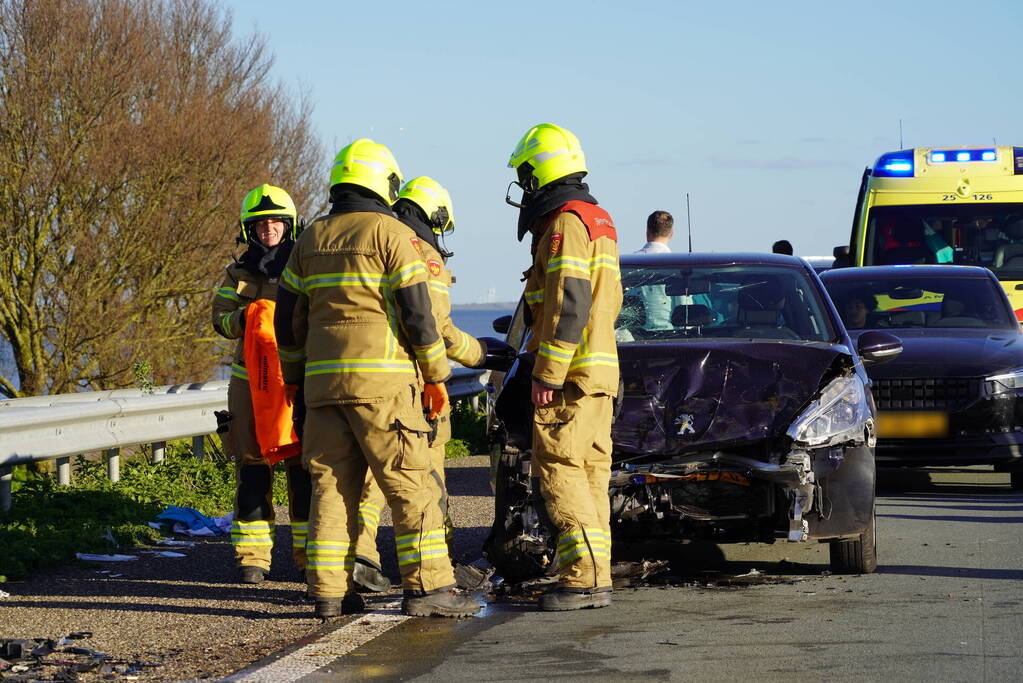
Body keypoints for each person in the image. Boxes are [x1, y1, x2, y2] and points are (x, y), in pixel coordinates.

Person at [274, 138, 479, 620]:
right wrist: (436, 373)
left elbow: (287, 320)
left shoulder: (310, 238)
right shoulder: (392, 234)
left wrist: (295, 377)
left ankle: (329, 592)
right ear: (384, 182)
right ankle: (429, 587)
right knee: (411, 486)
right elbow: (418, 315)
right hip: (384, 388)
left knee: (331, 490)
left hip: (323, 390)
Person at [506, 123, 623, 611]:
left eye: (525, 176)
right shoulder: (598, 220)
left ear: (539, 173)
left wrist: (546, 373)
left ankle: (582, 579)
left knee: (559, 471)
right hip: (599, 377)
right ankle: (596, 573)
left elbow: (568, 303)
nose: (524, 186)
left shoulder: (564, 224)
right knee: (590, 475)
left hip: (570, 379)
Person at [350, 176, 487, 591]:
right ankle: (436, 565)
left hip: (367, 380)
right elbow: (437, 328)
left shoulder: (378, 240)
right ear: (436, 216)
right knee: (426, 477)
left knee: (370, 476)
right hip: (416, 385)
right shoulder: (424, 254)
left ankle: (361, 554)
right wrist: (480, 353)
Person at [211, 184, 312, 585]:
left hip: (295, 380)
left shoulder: (305, 266)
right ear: (248, 230)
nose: (268, 229)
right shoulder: (237, 273)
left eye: (275, 223)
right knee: (252, 471)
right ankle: (252, 558)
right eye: (260, 224)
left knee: (303, 469)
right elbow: (219, 320)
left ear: (289, 226)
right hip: (249, 384)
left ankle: (310, 558)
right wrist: (247, 318)